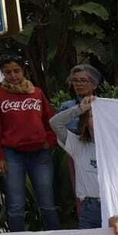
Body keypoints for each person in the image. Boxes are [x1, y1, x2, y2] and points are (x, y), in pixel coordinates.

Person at [0, 56, 58, 231]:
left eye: (16, 71)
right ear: (3, 73)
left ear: (23, 71)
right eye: (8, 72)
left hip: (39, 153)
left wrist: (50, 140)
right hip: (12, 154)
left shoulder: (37, 93)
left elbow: (51, 119)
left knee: (47, 202)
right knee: (16, 204)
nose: (13, 75)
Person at [49, 97, 100, 228]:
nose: (98, 119)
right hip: (89, 208)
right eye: (92, 115)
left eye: (101, 115)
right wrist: (80, 109)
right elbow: (55, 123)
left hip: (114, 206)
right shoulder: (77, 144)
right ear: (85, 121)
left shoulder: (117, 147)